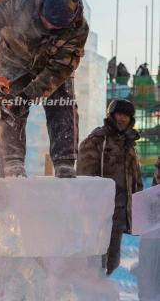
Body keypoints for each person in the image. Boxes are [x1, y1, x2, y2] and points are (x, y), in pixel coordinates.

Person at [0, 0, 89, 178]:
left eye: (54, 26)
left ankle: (65, 161)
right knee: (9, 102)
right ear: (41, 7)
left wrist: (29, 96)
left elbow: (59, 70)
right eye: (45, 22)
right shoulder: (18, 3)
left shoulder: (77, 30)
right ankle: (12, 161)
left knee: (63, 100)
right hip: (14, 57)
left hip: (51, 63)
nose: (48, 27)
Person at [76, 99, 143, 274]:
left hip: (120, 215)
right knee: (95, 260)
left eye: (126, 116)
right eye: (119, 114)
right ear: (111, 115)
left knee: (112, 262)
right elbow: (84, 177)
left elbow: (136, 179)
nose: (122, 119)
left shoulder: (130, 145)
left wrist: (137, 207)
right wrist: (91, 207)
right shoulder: (97, 140)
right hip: (99, 213)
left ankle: (104, 290)